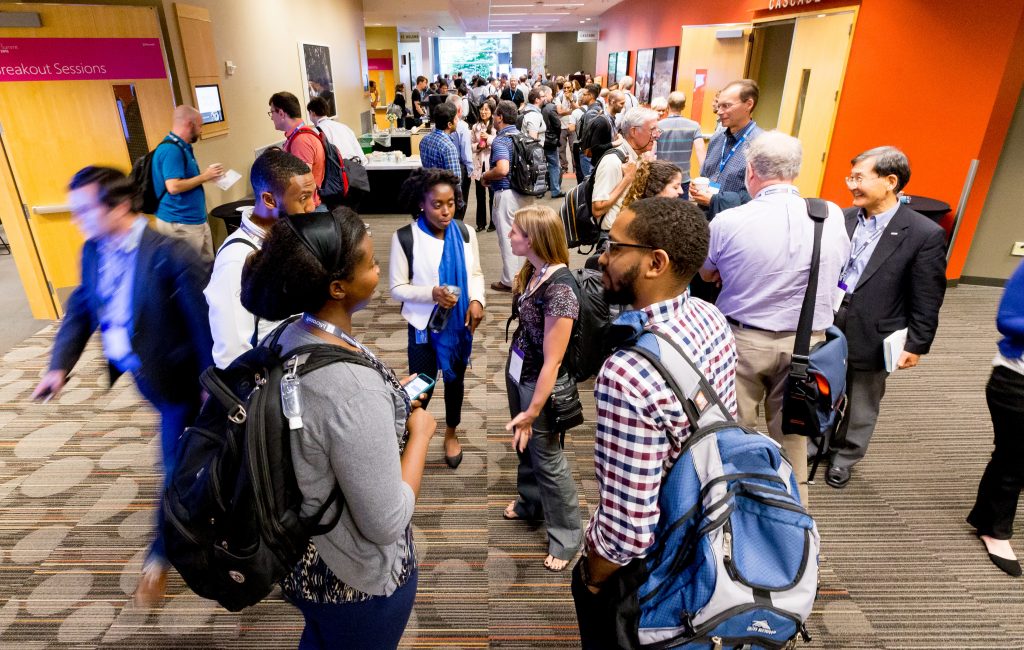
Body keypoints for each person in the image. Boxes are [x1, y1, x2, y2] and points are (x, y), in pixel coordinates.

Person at [240, 207, 435, 649]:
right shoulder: (351, 390)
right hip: (354, 579)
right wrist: (420, 434)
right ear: (337, 286)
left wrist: (383, 402)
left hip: (298, 553)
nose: (379, 266)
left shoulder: (290, 334)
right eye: (370, 262)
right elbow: (387, 521)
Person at [32, 166, 214, 607]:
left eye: (83, 210)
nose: (77, 220)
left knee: (172, 466)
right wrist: (59, 367)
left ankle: (159, 559)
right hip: (144, 376)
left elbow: (205, 328)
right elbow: (80, 310)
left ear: (118, 206)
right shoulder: (93, 251)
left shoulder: (171, 255)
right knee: (191, 461)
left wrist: (213, 387)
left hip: (182, 385)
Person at [573, 197, 737, 647]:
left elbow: (628, 530)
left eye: (614, 246)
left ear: (655, 262)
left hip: (659, 562)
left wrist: (590, 577)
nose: (601, 257)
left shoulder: (627, 371)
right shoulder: (711, 317)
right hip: (712, 521)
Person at [699, 131, 850, 505]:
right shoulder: (830, 216)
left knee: (733, 431)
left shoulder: (729, 221)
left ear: (751, 171)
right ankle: (794, 517)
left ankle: (733, 510)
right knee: (793, 438)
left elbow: (706, 274)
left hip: (741, 343)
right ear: (796, 172)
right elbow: (840, 269)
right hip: (808, 346)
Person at [825, 146, 947, 488]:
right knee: (820, 387)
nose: (851, 185)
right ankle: (815, 445)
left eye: (860, 178)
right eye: (851, 177)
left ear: (890, 181)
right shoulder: (843, 218)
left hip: (876, 327)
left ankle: (845, 456)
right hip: (830, 317)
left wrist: (918, 343)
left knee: (862, 400)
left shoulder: (923, 233)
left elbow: (928, 294)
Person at [389, 168, 486, 470]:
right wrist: (431, 293)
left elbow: (475, 274)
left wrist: (476, 300)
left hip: (458, 326)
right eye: (437, 205)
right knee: (423, 386)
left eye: (451, 203)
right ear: (421, 203)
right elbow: (396, 289)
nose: (446, 212)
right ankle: (413, 433)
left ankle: (451, 432)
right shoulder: (406, 237)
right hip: (422, 328)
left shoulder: (466, 233)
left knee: (455, 383)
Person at [504, 205, 582, 572]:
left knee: (548, 457)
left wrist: (533, 410)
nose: (509, 235)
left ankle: (568, 537)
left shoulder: (561, 289)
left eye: (515, 231)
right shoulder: (534, 271)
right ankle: (530, 502)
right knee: (526, 447)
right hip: (521, 369)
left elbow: (553, 361)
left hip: (541, 382)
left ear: (533, 239)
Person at [205, 148, 317, 369]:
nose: (311, 206)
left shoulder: (287, 237)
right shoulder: (236, 259)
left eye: (312, 195)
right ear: (269, 200)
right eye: (303, 198)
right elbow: (233, 356)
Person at [967, 259, 1024, 577]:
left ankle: (984, 515)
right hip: (1016, 383)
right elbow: (1009, 319)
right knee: (1014, 460)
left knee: (1013, 459)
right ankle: (994, 530)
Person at [151, 105, 224, 266]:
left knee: (206, 267)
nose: (201, 130)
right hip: (181, 223)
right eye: (200, 126)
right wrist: (205, 176)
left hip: (195, 220)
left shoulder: (183, 147)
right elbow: (173, 186)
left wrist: (206, 177)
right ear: (190, 124)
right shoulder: (171, 150)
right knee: (191, 270)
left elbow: (185, 181)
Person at [690, 80, 763, 218]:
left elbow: (757, 196)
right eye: (718, 106)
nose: (719, 112)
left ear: (748, 104)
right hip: (706, 220)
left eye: (726, 106)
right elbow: (707, 174)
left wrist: (715, 200)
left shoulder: (761, 146)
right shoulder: (717, 138)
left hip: (735, 225)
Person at [481, 100, 533, 293]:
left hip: (507, 194)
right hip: (526, 194)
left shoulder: (502, 140)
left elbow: (502, 169)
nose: (493, 118)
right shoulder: (523, 136)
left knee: (508, 237)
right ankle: (523, 277)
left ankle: (510, 281)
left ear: (500, 117)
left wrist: (486, 176)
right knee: (525, 238)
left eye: (495, 114)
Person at [592, 107, 660, 245]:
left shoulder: (636, 157)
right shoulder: (613, 161)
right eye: (652, 130)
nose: (657, 135)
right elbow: (597, 208)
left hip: (626, 233)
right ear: (634, 131)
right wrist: (627, 179)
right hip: (613, 239)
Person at [270, 91, 325, 208]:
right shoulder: (299, 136)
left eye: (272, 112)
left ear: (281, 113)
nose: (271, 118)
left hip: (305, 210)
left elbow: (303, 183)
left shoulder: (301, 140)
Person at [656, 91, 706, 199]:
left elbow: (652, 153)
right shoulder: (694, 126)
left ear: (668, 105)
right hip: (682, 179)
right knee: (681, 212)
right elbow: (700, 151)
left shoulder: (658, 126)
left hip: (661, 178)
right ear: (683, 106)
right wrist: (704, 176)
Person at [308, 96, 367, 165]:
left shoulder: (315, 132)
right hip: (355, 171)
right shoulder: (344, 127)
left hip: (336, 173)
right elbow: (362, 158)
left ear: (312, 112)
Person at [446, 95, 474, 221]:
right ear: (459, 110)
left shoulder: (437, 126)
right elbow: (465, 152)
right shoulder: (462, 126)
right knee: (460, 202)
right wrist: (470, 170)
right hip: (459, 167)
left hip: (443, 169)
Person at [418, 102, 462, 183]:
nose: (458, 120)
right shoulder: (448, 147)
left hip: (428, 190)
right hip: (443, 193)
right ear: (449, 124)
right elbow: (455, 181)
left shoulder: (424, 140)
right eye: (456, 118)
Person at [471, 100, 497, 232]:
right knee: (479, 196)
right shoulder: (475, 127)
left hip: (492, 165)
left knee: (493, 195)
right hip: (479, 165)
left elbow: (499, 143)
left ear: (492, 112)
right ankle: (480, 223)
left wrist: (488, 140)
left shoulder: (495, 127)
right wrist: (478, 146)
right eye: (481, 109)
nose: (483, 111)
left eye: (486, 109)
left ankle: (493, 222)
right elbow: (472, 145)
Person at [541, 86, 564, 198]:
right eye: (551, 94)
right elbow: (557, 125)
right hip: (550, 141)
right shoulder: (551, 107)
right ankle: (555, 190)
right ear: (546, 94)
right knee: (554, 165)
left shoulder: (536, 107)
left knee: (539, 165)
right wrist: (556, 137)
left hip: (539, 141)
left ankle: (539, 191)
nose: (552, 96)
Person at [556, 81, 577, 177]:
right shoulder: (559, 97)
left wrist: (571, 100)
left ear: (572, 88)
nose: (566, 90)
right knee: (561, 148)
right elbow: (559, 111)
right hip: (562, 126)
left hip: (573, 126)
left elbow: (577, 110)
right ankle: (564, 168)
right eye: (564, 88)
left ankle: (576, 168)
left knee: (574, 148)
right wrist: (570, 111)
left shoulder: (575, 97)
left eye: (568, 87)